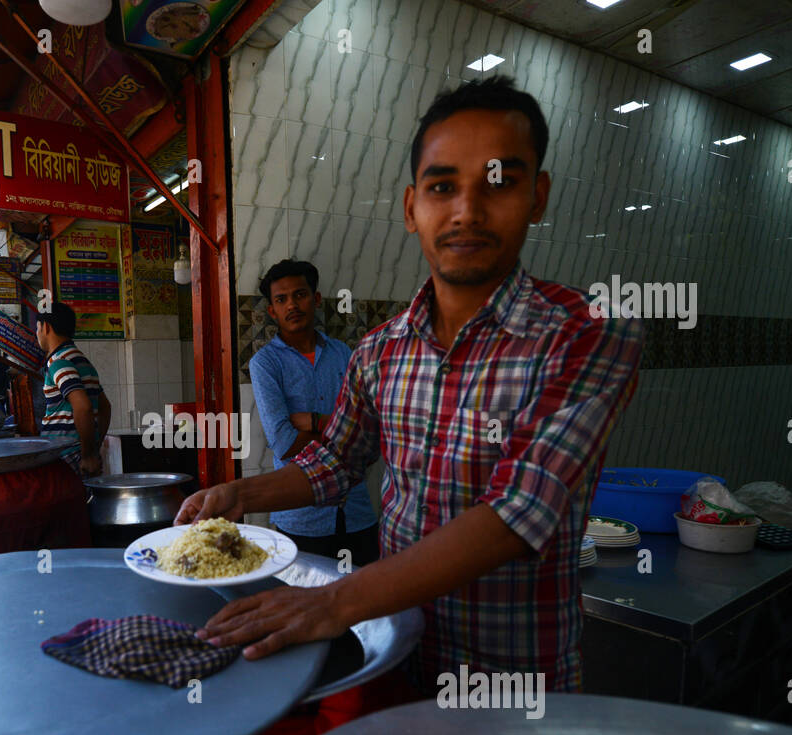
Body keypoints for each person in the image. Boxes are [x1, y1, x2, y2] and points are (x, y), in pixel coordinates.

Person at [177, 77, 643, 695]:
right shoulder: (379, 350)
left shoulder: (587, 333)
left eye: (499, 182)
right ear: (411, 206)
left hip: (512, 681)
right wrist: (242, 492)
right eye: (443, 186)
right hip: (396, 655)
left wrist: (335, 603)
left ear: (538, 195)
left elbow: (515, 513)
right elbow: (335, 461)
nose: (467, 211)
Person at [251, 259, 380, 566]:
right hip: (301, 518)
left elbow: (368, 431)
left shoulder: (344, 354)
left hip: (356, 512)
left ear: (316, 299)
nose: (291, 305)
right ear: (272, 311)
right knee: (303, 605)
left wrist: (312, 421)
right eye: (281, 300)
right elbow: (283, 441)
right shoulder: (265, 364)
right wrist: (343, 433)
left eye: (300, 295)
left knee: (362, 607)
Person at [36, 302, 111, 477]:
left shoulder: (58, 361)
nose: (37, 334)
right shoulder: (81, 360)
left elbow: (83, 406)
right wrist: (94, 445)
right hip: (78, 452)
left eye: (37, 328)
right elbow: (105, 406)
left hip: (67, 456)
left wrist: (88, 454)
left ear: (46, 327)